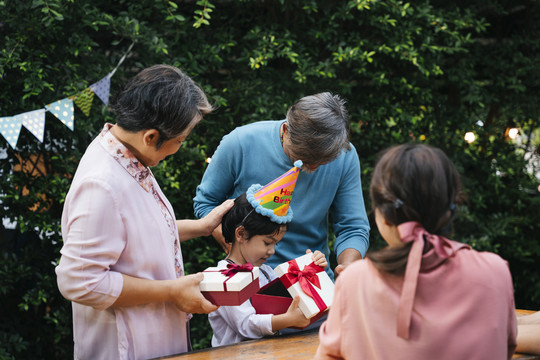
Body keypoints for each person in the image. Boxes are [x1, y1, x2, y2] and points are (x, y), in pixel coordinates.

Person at [55, 64, 234, 360]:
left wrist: (201, 227)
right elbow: (79, 281)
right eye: (180, 141)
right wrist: (172, 291)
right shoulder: (101, 184)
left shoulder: (127, 155)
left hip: (156, 335)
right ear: (151, 137)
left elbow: (136, 234)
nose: (178, 148)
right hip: (125, 346)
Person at [316, 143, 517, 359]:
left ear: (383, 215)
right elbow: (506, 346)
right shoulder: (495, 271)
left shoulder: (355, 281)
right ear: (450, 208)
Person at [193, 92, 370, 280]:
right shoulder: (239, 143)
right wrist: (235, 248)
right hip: (246, 280)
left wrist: (347, 266)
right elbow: (206, 204)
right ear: (286, 130)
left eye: (324, 160)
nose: (314, 166)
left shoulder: (345, 155)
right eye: (305, 158)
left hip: (312, 281)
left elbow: (352, 226)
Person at [208, 191, 328, 346]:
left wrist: (309, 269)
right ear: (241, 234)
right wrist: (286, 320)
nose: (272, 251)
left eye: (275, 244)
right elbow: (245, 325)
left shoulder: (266, 271)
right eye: (267, 242)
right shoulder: (222, 277)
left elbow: (291, 300)